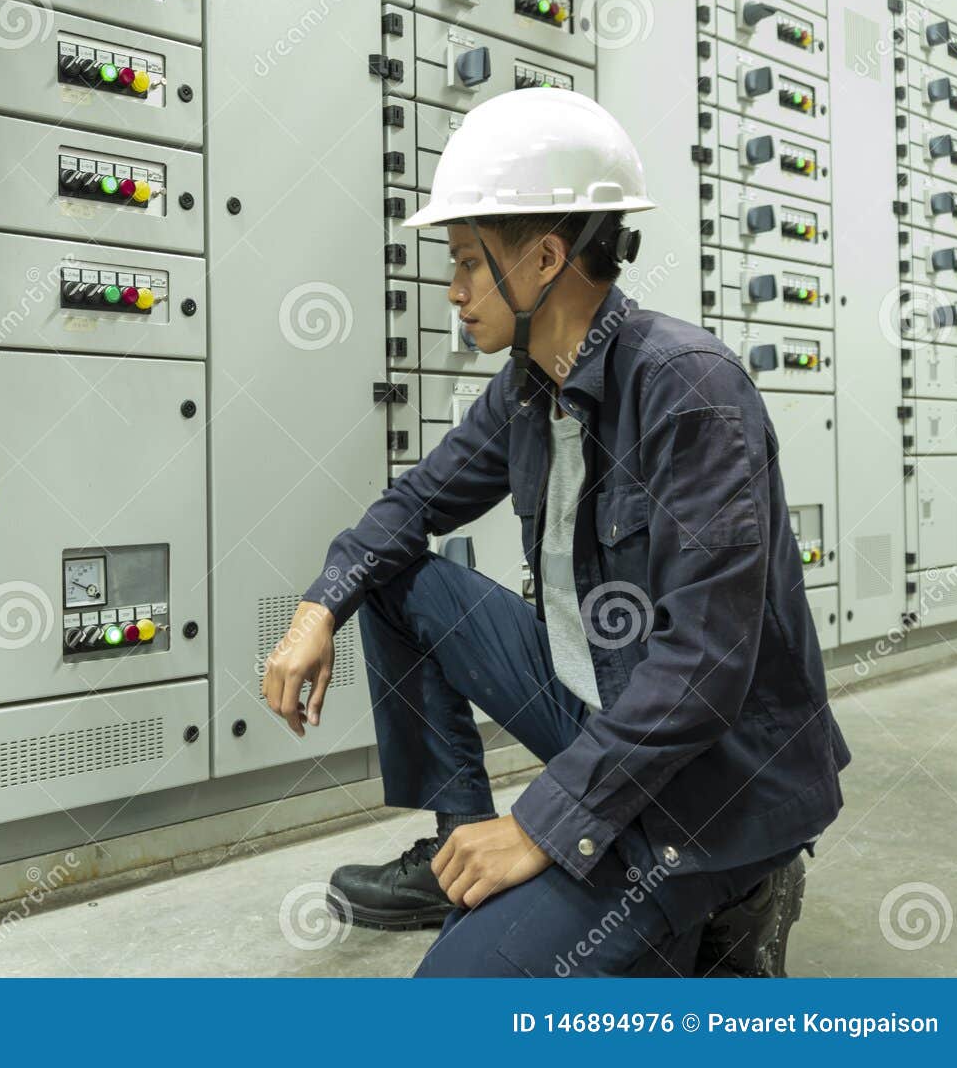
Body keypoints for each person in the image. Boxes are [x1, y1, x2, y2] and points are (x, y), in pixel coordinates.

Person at [259, 90, 850, 977]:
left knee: (457, 998)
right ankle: (461, 846)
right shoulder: (528, 387)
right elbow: (410, 507)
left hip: (712, 781)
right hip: (605, 707)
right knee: (389, 576)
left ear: (544, 258)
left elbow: (704, 667)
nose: (452, 291)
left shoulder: (688, 388)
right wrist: (319, 603)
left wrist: (542, 822)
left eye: (466, 261)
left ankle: (742, 887)